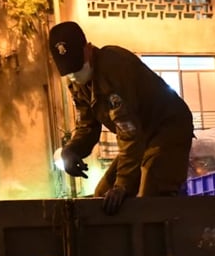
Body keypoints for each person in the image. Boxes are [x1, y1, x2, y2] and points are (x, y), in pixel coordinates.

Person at [47, 21, 194, 215]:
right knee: (101, 197)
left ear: (88, 49)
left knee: (148, 198)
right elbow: (87, 126)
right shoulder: (78, 84)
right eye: (69, 72)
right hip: (141, 137)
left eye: (77, 66)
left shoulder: (114, 68)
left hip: (167, 129)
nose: (74, 75)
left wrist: (122, 184)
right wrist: (72, 150)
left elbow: (129, 132)